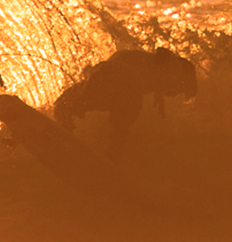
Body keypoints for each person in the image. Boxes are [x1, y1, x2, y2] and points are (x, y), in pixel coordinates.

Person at [53, 47, 197, 160]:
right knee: (123, 120)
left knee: (77, 100)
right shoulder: (176, 67)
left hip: (104, 70)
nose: (175, 95)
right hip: (124, 80)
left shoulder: (156, 70)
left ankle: (63, 122)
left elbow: (157, 66)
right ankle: (112, 154)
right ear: (183, 80)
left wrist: (159, 93)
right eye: (181, 91)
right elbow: (163, 55)